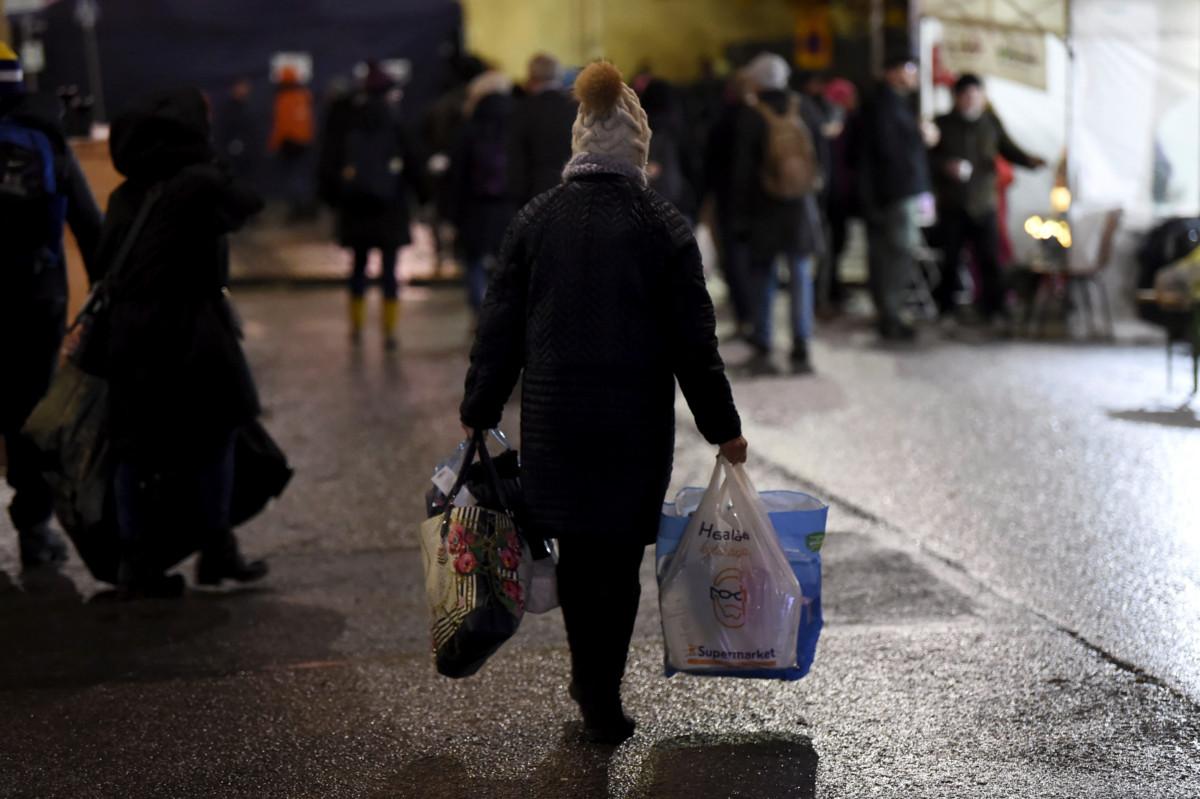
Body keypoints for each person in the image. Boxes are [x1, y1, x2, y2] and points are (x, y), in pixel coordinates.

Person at [460, 61, 746, 745]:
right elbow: (693, 344)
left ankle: (588, 677)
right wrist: (723, 427)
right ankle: (600, 691)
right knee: (615, 568)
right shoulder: (662, 224)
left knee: (578, 557)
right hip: (631, 426)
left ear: (579, 140)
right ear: (638, 147)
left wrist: (480, 405)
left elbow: (499, 322)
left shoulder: (537, 219)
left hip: (556, 422)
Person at [97, 88, 267, 597]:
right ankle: (217, 549)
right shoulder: (197, 183)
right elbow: (248, 203)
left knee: (133, 444)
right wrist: (209, 161)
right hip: (191, 330)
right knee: (215, 433)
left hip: (129, 332)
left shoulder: (125, 194)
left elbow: (104, 259)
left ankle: (136, 561)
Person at [0, 42, 103, 569]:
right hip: (35, 297)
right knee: (30, 408)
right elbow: (87, 223)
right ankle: (35, 532)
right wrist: (104, 292)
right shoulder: (46, 137)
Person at [317, 63, 427, 348]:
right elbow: (415, 165)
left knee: (358, 266)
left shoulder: (349, 121)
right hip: (391, 208)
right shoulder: (396, 123)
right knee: (390, 270)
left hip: (356, 208)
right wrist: (424, 196)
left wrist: (333, 200)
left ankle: (356, 328)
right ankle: (389, 332)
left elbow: (330, 163)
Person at [732, 53, 825, 374]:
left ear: (756, 81)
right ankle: (801, 345)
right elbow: (822, 157)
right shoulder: (807, 109)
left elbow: (741, 173)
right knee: (801, 272)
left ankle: (764, 343)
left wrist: (739, 216)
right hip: (801, 205)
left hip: (763, 208)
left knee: (763, 275)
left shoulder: (751, 115)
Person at [931, 74, 1045, 325]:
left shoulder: (990, 123)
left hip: (984, 202)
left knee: (990, 259)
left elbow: (1008, 148)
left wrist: (1030, 161)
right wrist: (945, 167)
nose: (972, 100)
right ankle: (946, 310)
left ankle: (993, 308)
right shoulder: (942, 124)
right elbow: (928, 158)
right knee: (950, 259)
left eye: (977, 95)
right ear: (957, 98)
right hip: (953, 203)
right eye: (967, 95)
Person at [858, 53, 935, 341]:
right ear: (892, 72)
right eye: (909, 69)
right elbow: (889, 152)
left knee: (888, 255)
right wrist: (919, 136)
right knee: (898, 254)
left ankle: (889, 313)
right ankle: (891, 315)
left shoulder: (886, 104)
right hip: (895, 194)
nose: (913, 76)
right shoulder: (885, 106)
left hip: (889, 193)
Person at [448, 71, 515, 314]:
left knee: (473, 261)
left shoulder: (469, 126)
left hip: (474, 207)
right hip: (509, 204)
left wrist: (452, 213)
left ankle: (481, 315)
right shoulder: (517, 121)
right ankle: (503, 314)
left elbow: (458, 174)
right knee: (506, 263)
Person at [506, 53, 577, 208]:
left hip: (534, 195)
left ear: (531, 77)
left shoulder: (522, 110)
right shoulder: (576, 108)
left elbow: (515, 161)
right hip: (572, 192)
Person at [268, 66, 315, 221]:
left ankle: (299, 209)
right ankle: (306, 208)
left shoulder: (283, 99)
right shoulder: (304, 95)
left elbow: (281, 125)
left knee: (294, 178)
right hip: (303, 144)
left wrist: (274, 144)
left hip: (290, 144)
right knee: (302, 177)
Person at [214, 77, 261, 184]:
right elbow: (222, 131)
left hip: (247, 153)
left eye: (245, 87)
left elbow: (252, 131)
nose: (243, 90)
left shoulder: (249, 108)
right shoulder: (227, 109)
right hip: (230, 152)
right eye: (241, 87)